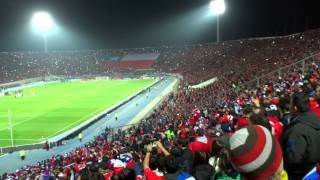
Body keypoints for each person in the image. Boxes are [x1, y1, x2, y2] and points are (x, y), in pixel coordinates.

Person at [281, 92, 320, 180]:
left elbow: (293, 159)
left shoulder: (296, 130)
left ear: (295, 108)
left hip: (305, 175)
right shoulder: (316, 119)